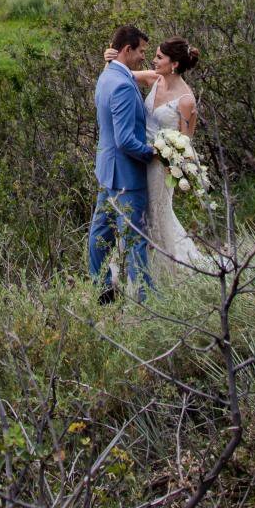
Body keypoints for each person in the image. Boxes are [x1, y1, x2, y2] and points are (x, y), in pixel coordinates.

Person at [108, 37, 216, 278]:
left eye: (159, 57)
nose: (153, 60)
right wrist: (111, 59)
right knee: (135, 211)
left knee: (155, 214)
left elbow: (186, 143)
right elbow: (120, 75)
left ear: (174, 64)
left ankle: (165, 272)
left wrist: (173, 165)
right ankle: (130, 269)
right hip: (138, 156)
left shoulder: (186, 100)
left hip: (160, 167)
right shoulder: (154, 79)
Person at [88, 25, 155, 302]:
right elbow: (126, 140)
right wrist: (154, 154)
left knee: (99, 234)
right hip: (127, 177)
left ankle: (102, 292)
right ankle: (147, 303)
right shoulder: (124, 87)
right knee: (135, 240)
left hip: (107, 172)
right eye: (141, 51)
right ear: (127, 50)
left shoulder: (107, 76)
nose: (143, 57)